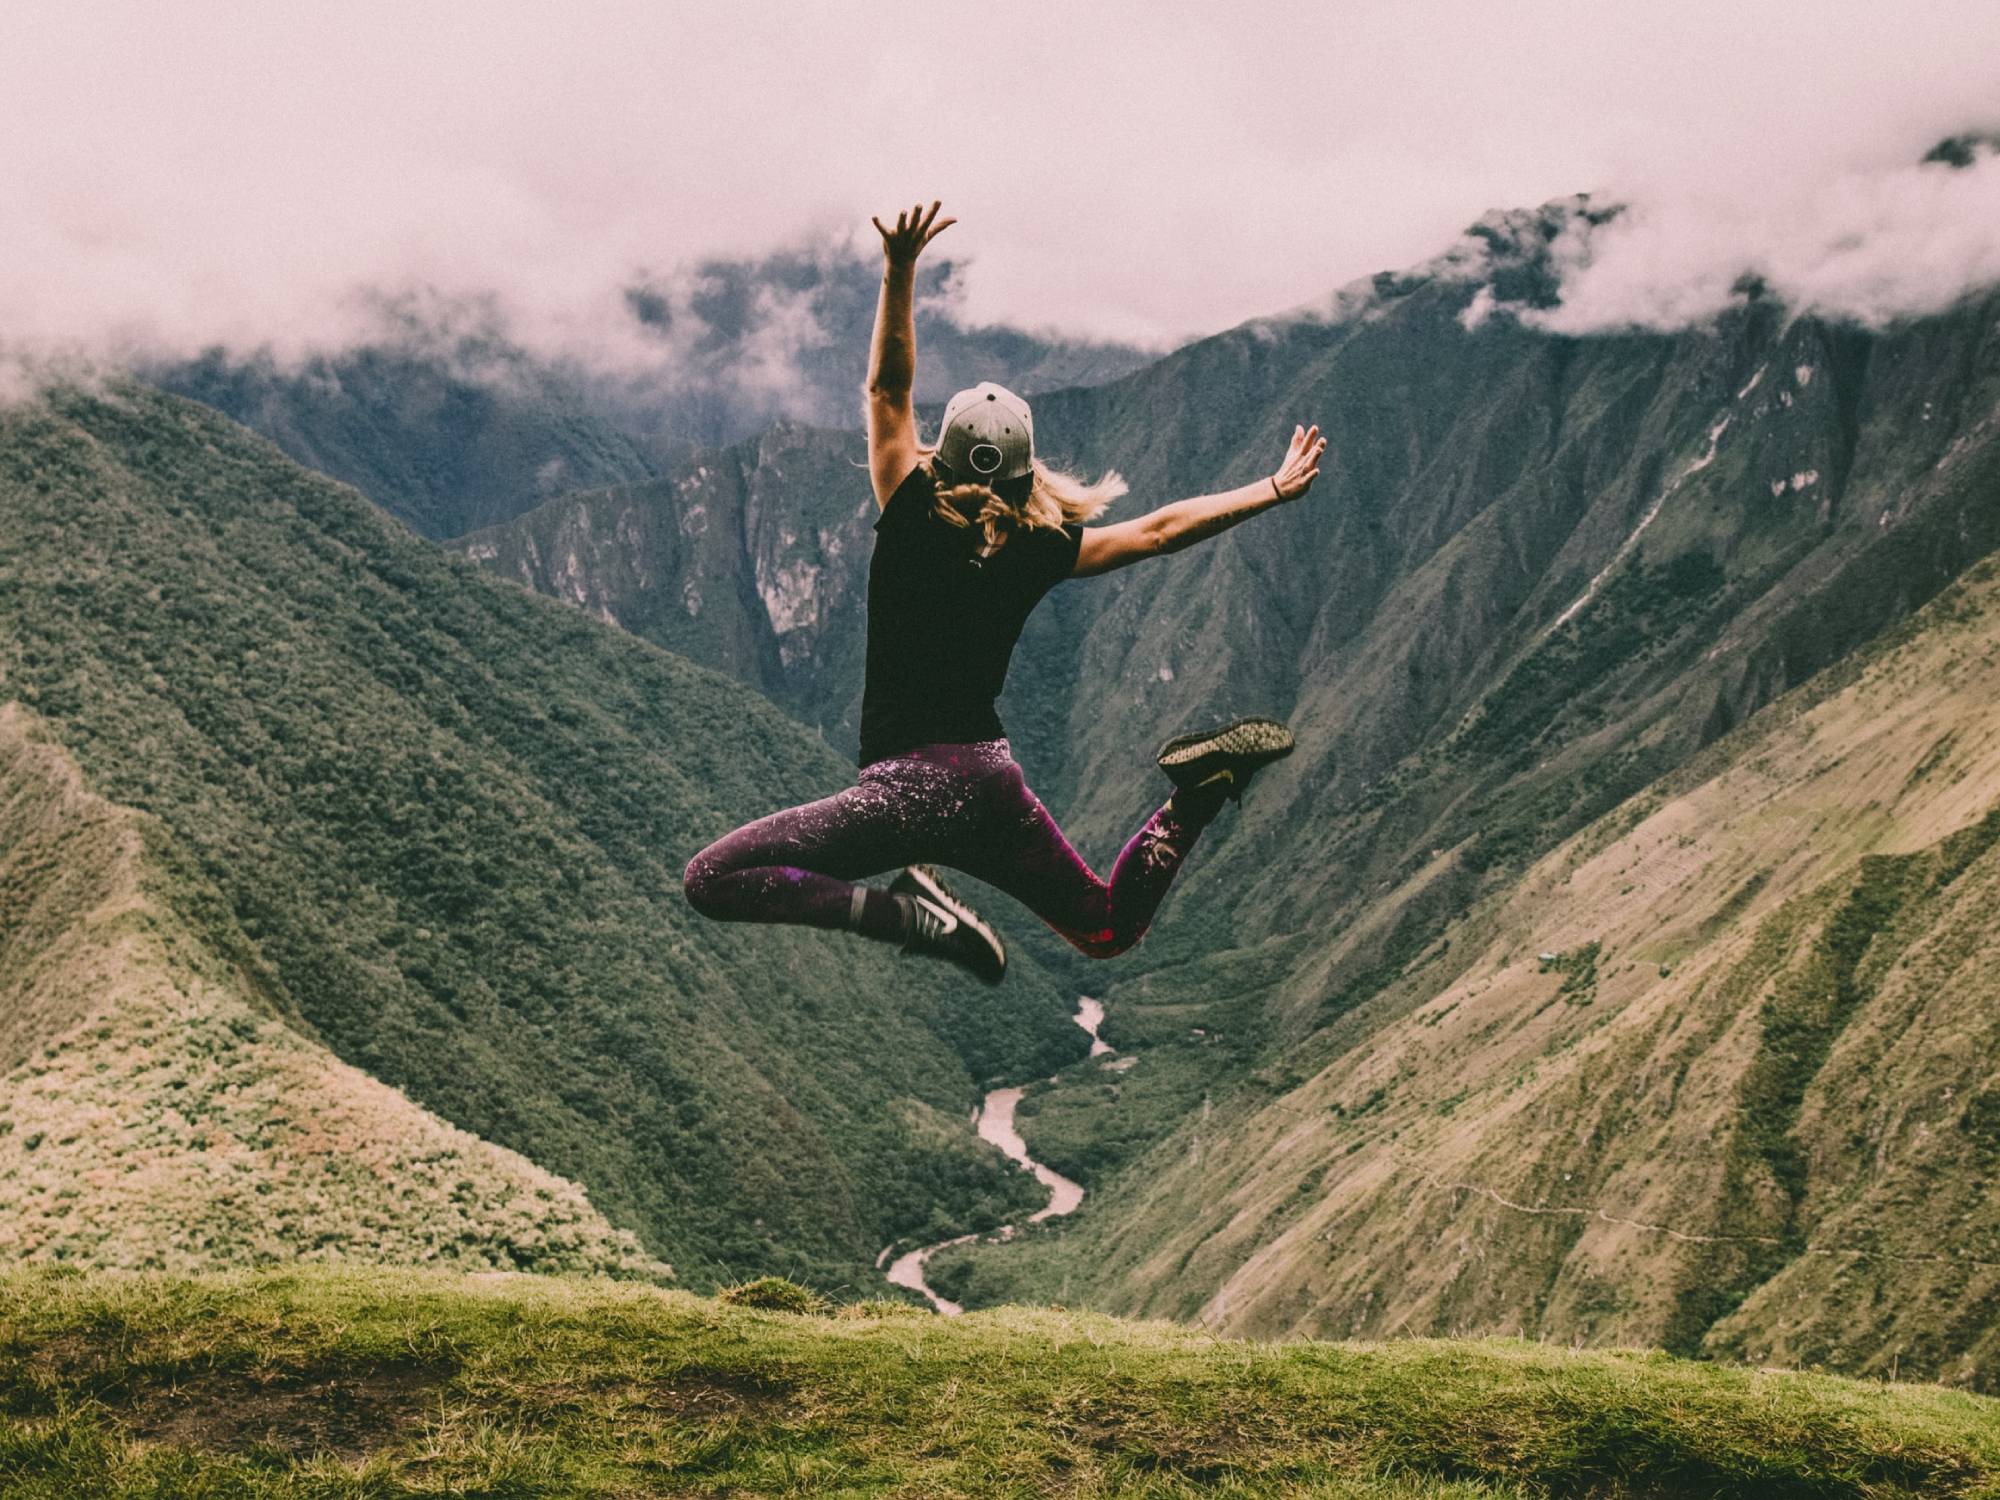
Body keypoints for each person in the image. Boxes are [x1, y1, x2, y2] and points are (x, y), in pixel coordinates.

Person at [683, 199, 1325, 984]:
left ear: (940, 456)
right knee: (1105, 927)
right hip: (991, 785)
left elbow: (888, 391)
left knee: (712, 880)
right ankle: (1193, 799)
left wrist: (899, 268)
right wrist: (1269, 488)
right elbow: (1159, 531)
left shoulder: (911, 509)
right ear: (1028, 471)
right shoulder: (1040, 546)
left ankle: (905, 916)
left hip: (905, 794)